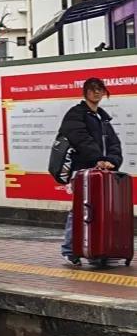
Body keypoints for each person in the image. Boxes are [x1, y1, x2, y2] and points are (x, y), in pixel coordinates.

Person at [58, 77, 123, 265]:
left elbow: (114, 143)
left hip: (101, 172)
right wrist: (98, 159)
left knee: (100, 210)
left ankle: (96, 251)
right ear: (85, 92)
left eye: (100, 89)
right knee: (80, 209)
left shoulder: (103, 118)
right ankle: (70, 249)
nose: (96, 93)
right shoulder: (76, 114)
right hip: (82, 170)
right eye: (93, 89)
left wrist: (112, 161)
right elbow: (80, 138)